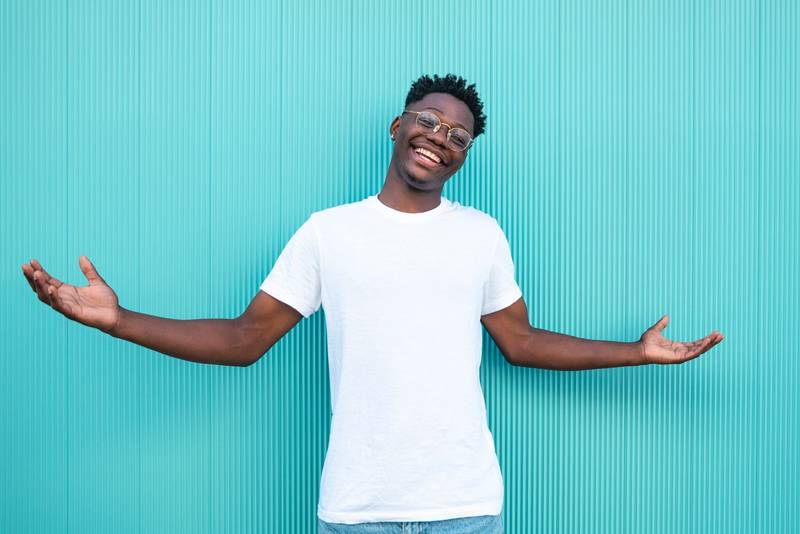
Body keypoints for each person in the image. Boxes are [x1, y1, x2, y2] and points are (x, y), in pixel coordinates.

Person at [22, 73, 724, 534]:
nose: (441, 139)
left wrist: (634, 352)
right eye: (429, 121)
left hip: (466, 509)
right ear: (397, 125)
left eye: (459, 137)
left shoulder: (481, 235)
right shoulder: (329, 233)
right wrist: (117, 321)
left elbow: (524, 343)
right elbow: (243, 341)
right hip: (358, 509)